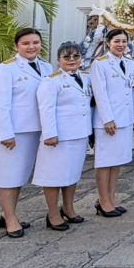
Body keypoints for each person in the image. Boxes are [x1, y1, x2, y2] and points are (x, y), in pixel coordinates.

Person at [0, 28, 51, 238]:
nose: (31, 47)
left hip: (34, 130)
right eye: (26, 43)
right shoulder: (5, 69)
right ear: (16, 46)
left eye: (35, 42)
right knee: (7, 177)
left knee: (19, 176)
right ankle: (10, 219)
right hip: (13, 132)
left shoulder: (46, 67)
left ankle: (6, 213)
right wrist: (5, 133)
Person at [34, 42, 92, 231]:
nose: (72, 60)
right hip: (59, 137)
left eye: (76, 56)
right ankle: (52, 213)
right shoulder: (51, 81)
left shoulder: (84, 77)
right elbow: (46, 109)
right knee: (54, 176)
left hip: (79, 134)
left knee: (72, 174)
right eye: (66, 57)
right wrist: (50, 134)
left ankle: (68, 208)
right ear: (58, 60)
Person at [90, 28, 134, 217]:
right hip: (108, 121)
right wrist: (107, 119)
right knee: (105, 162)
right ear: (108, 43)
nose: (120, 45)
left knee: (117, 161)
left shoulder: (128, 62)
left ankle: (111, 197)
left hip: (124, 118)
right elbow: (100, 94)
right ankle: (103, 201)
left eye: (124, 41)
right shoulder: (100, 64)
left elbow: (132, 90)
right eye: (116, 41)